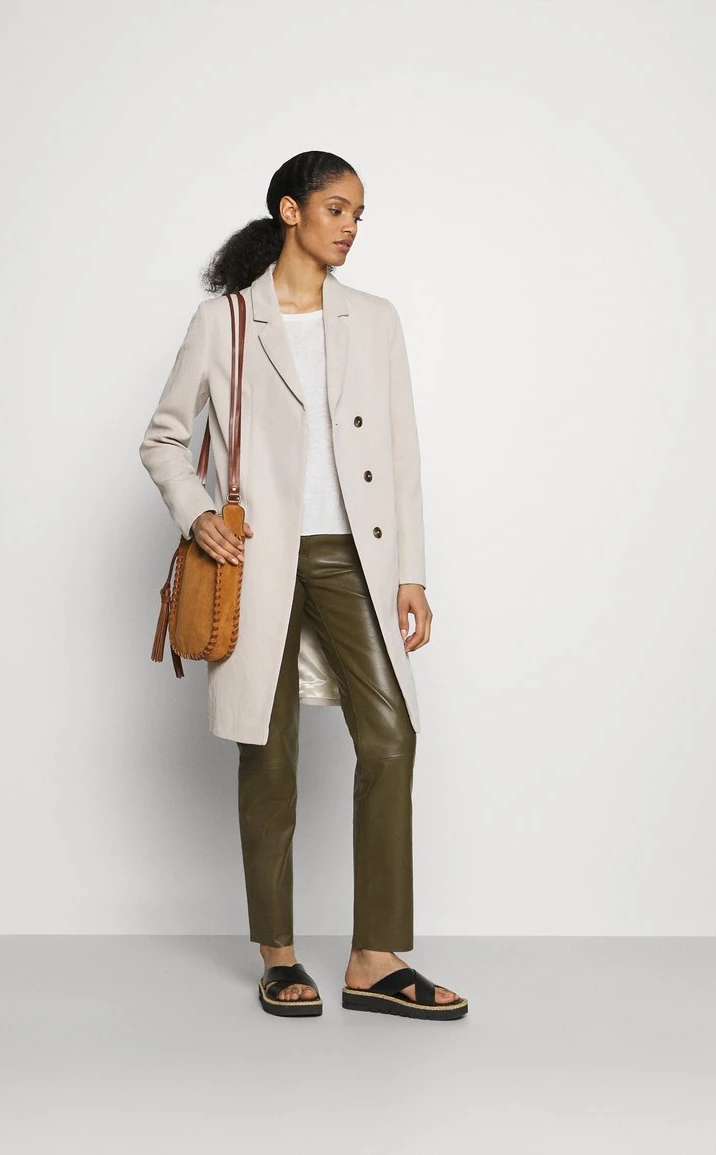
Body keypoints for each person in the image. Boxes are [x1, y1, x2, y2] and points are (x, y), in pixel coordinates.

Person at [139, 150, 468, 1021]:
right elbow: (164, 437)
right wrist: (195, 513)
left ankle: (374, 957)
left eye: (359, 213)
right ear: (290, 210)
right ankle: (278, 953)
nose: (351, 226)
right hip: (256, 562)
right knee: (269, 749)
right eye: (336, 208)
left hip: (355, 556)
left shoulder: (376, 318)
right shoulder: (225, 322)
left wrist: (411, 572)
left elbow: (401, 451)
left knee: (391, 736)